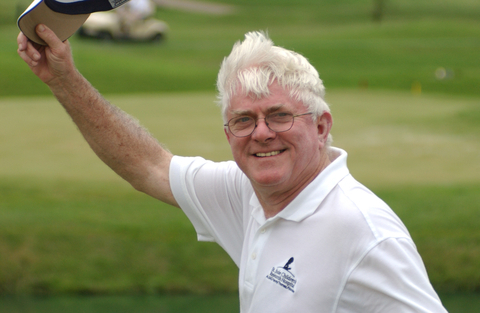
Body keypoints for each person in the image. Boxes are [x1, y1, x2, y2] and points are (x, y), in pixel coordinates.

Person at [17, 27, 448, 312]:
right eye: (244, 120)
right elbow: (146, 165)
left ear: (321, 126)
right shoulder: (245, 193)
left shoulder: (365, 231)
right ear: (228, 134)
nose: (261, 133)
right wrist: (63, 78)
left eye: (279, 115)